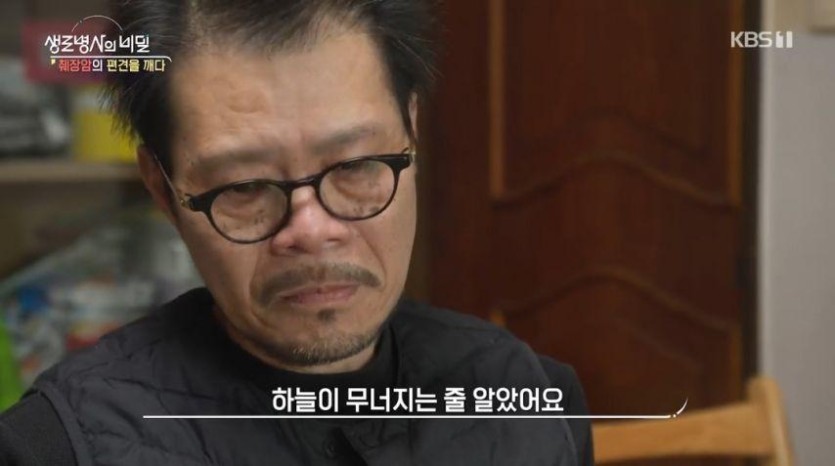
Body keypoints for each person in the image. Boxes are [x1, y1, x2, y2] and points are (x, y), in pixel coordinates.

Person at [0, 1, 593, 464]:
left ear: (410, 131)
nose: (311, 230)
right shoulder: (56, 446)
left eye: (356, 166)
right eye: (244, 187)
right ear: (162, 188)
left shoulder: (531, 398)